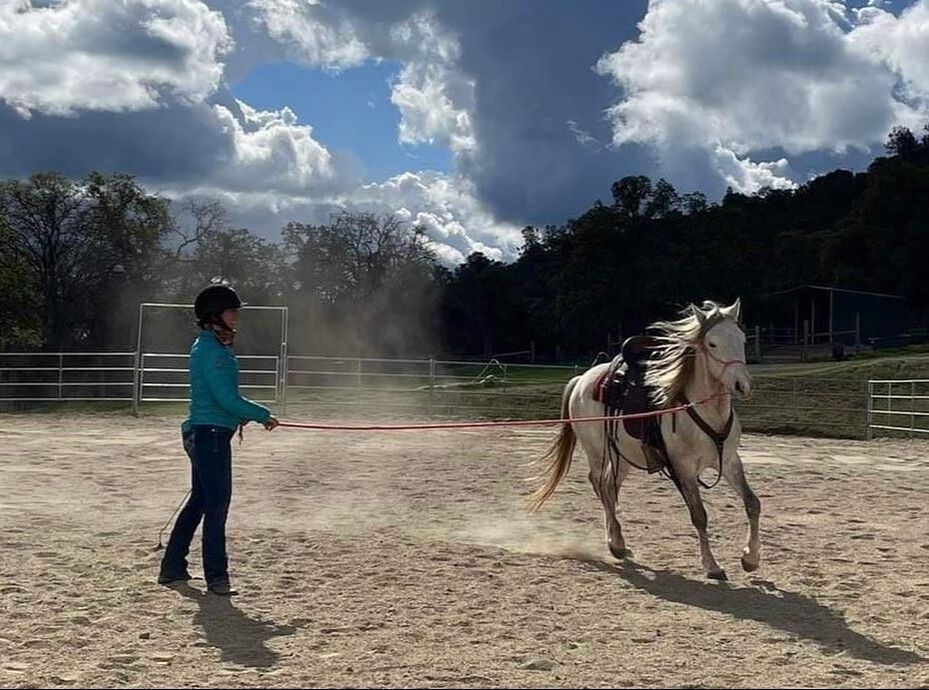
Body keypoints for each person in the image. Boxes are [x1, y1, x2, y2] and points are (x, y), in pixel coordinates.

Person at [157, 284, 278, 596]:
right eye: (232, 310)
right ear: (216, 315)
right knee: (217, 504)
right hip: (209, 436)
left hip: (205, 432)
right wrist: (262, 414)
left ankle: (172, 568)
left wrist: (246, 414)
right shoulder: (212, 351)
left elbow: (221, 399)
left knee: (200, 500)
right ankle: (216, 577)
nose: (236, 316)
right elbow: (227, 398)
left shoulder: (210, 346)